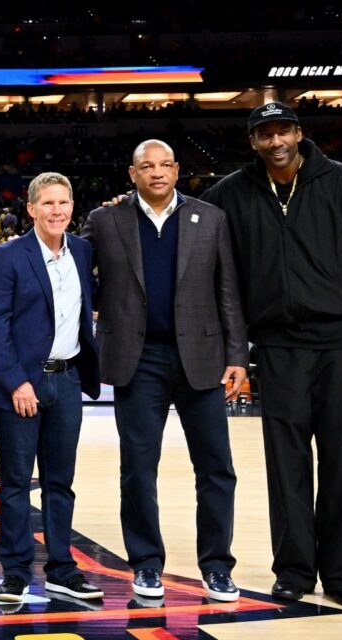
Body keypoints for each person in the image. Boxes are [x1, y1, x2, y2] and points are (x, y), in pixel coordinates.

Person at [199, 102, 342, 608]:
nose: (276, 141)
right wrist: (126, 207)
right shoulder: (230, 193)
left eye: (283, 131)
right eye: (264, 134)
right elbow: (189, 227)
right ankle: (293, 570)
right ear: (253, 141)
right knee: (286, 465)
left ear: (299, 132)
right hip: (277, 347)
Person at [81, 140, 247, 602]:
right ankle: (147, 564)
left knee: (216, 467)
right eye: (146, 166)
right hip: (139, 360)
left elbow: (228, 289)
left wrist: (238, 355)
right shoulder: (105, 220)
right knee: (137, 468)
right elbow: (69, 267)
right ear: (131, 174)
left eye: (165, 165)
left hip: (203, 357)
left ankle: (217, 566)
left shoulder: (210, 218)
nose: (156, 172)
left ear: (177, 170)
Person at [0, 172, 102, 603]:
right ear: (31, 209)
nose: (57, 211)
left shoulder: (83, 251)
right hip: (21, 387)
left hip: (66, 379)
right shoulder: (7, 256)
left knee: (60, 482)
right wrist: (17, 382)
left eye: (63, 203)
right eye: (47, 203)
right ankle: (14, 570)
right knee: (14, 483)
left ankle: (62, 568)